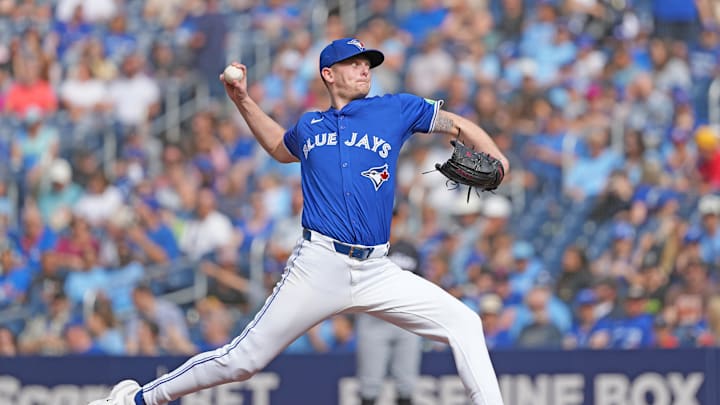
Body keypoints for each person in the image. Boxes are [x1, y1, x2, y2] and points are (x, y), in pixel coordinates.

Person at [90, 37, 509, 405]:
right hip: (319, 263)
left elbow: (458, 124)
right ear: (329, 73)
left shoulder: (395, 108)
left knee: (464, 322)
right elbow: (278, 145)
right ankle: (139, 398)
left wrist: (498, 157)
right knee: (243, 361)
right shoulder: (310, 124)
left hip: (378, 268)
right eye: (355, 62)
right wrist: (242, 100)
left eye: (368, 63)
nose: (365, 68)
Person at [355, 211, 423, 405]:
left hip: (405, 319)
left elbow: (421, 281)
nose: (393, 222)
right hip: (375, 318)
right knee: (369, 385)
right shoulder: (366, 244)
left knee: (407, 384)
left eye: (396, 217)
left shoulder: (409, 248)